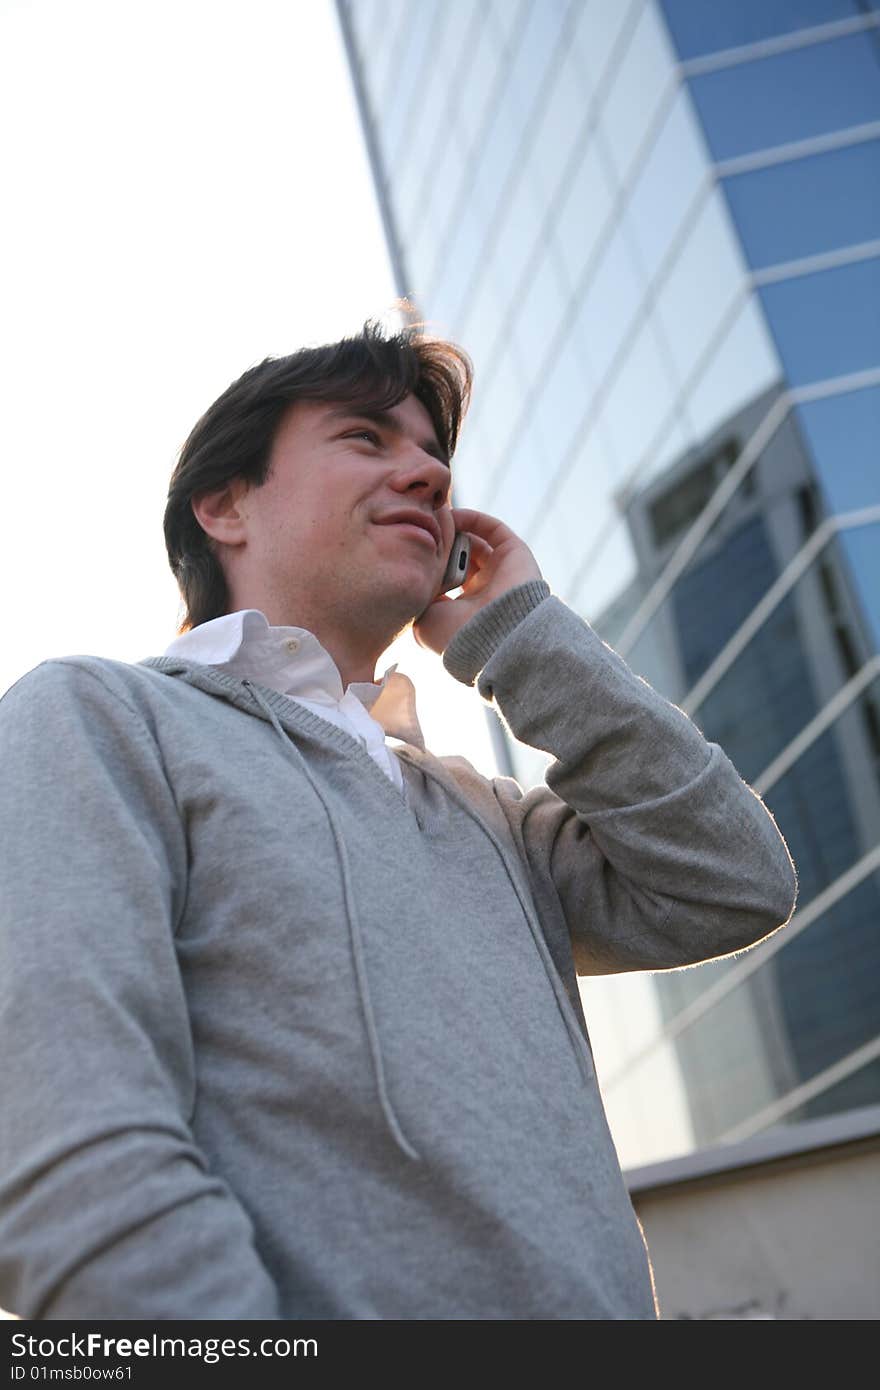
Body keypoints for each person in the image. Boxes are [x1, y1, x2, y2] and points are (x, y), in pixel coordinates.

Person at [0, 319, 798, 1320]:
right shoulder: (98, 721)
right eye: (366, 438)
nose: (425, 472)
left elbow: (732, 880)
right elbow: (63, 1132)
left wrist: (521, 637)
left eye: (432, 453)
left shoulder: (485, 816)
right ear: (223, 504)